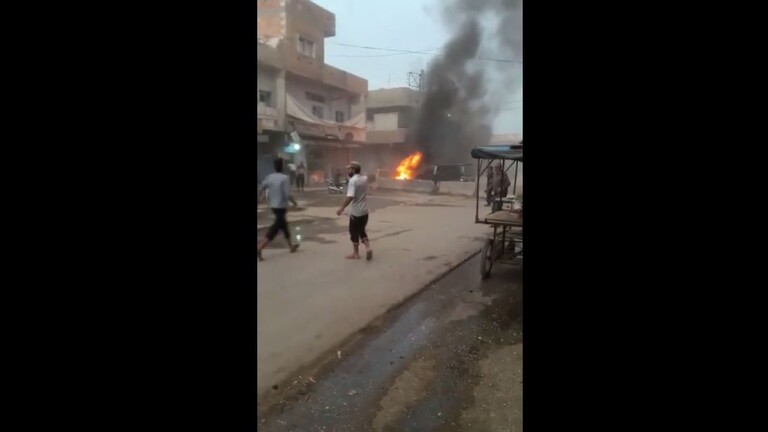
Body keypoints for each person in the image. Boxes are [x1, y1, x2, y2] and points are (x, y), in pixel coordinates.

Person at [258, 158, 299, 261]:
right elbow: (287, 194)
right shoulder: (284, 178)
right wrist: (294, 202)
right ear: (282, 166)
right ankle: (260, 246)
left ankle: (291, 246)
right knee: (276, 227)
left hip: (273, 206)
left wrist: (260, 196)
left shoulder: (269, 177)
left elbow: (262, 187)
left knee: (284, 225)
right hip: (281, 206)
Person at [336, 161, 373, 260]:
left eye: (349, 169)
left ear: (353, 170)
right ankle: (368, 248)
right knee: (362, 230)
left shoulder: (353, 181)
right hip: (365, 212)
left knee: (353, 232)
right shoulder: (364, 179)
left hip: (356, 213)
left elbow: (350, 197)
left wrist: (341, 208)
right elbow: (361, 178)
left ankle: (356, 254)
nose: (348, 170)